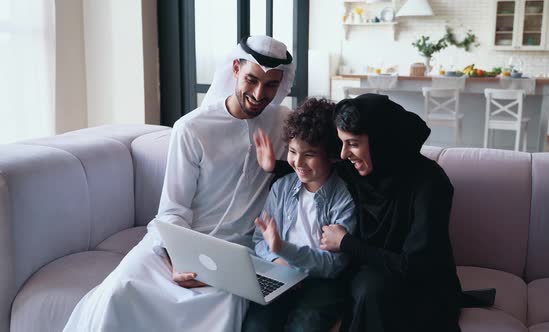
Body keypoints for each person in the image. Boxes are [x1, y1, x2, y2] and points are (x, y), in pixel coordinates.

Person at [63, 35, 296, 332]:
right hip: (174, 244)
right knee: (117, 293)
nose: (259, 93)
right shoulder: (192, 127)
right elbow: (173, 209)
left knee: (220, 313)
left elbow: (310, 177)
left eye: (271, 85)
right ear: (235, 69)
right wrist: (180, 259)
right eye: (251, 79)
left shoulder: (284, 124)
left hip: (236, 256)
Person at [255, 94, 468, 332]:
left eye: (353, 144)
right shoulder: (360, 169)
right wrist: (274, 167)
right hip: (369, 267)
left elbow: (417, 266)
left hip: (418, 280)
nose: (344, 154)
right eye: (341, 143)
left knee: (368, 288)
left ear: (381, 141)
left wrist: (347, 243)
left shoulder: (430, 184)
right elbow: (315, 169)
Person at [242, 98, 356, 332]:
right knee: (255, 326)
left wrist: (284, 250)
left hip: (323, 282)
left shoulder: (343, 198)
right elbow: (259, 241)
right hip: (281, 272)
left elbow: (335, 264)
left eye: (310, 154)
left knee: (304, 328)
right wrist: (277, 259)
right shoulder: (282, 188)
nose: (298, 162)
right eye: (293, 151)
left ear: (332, 155)